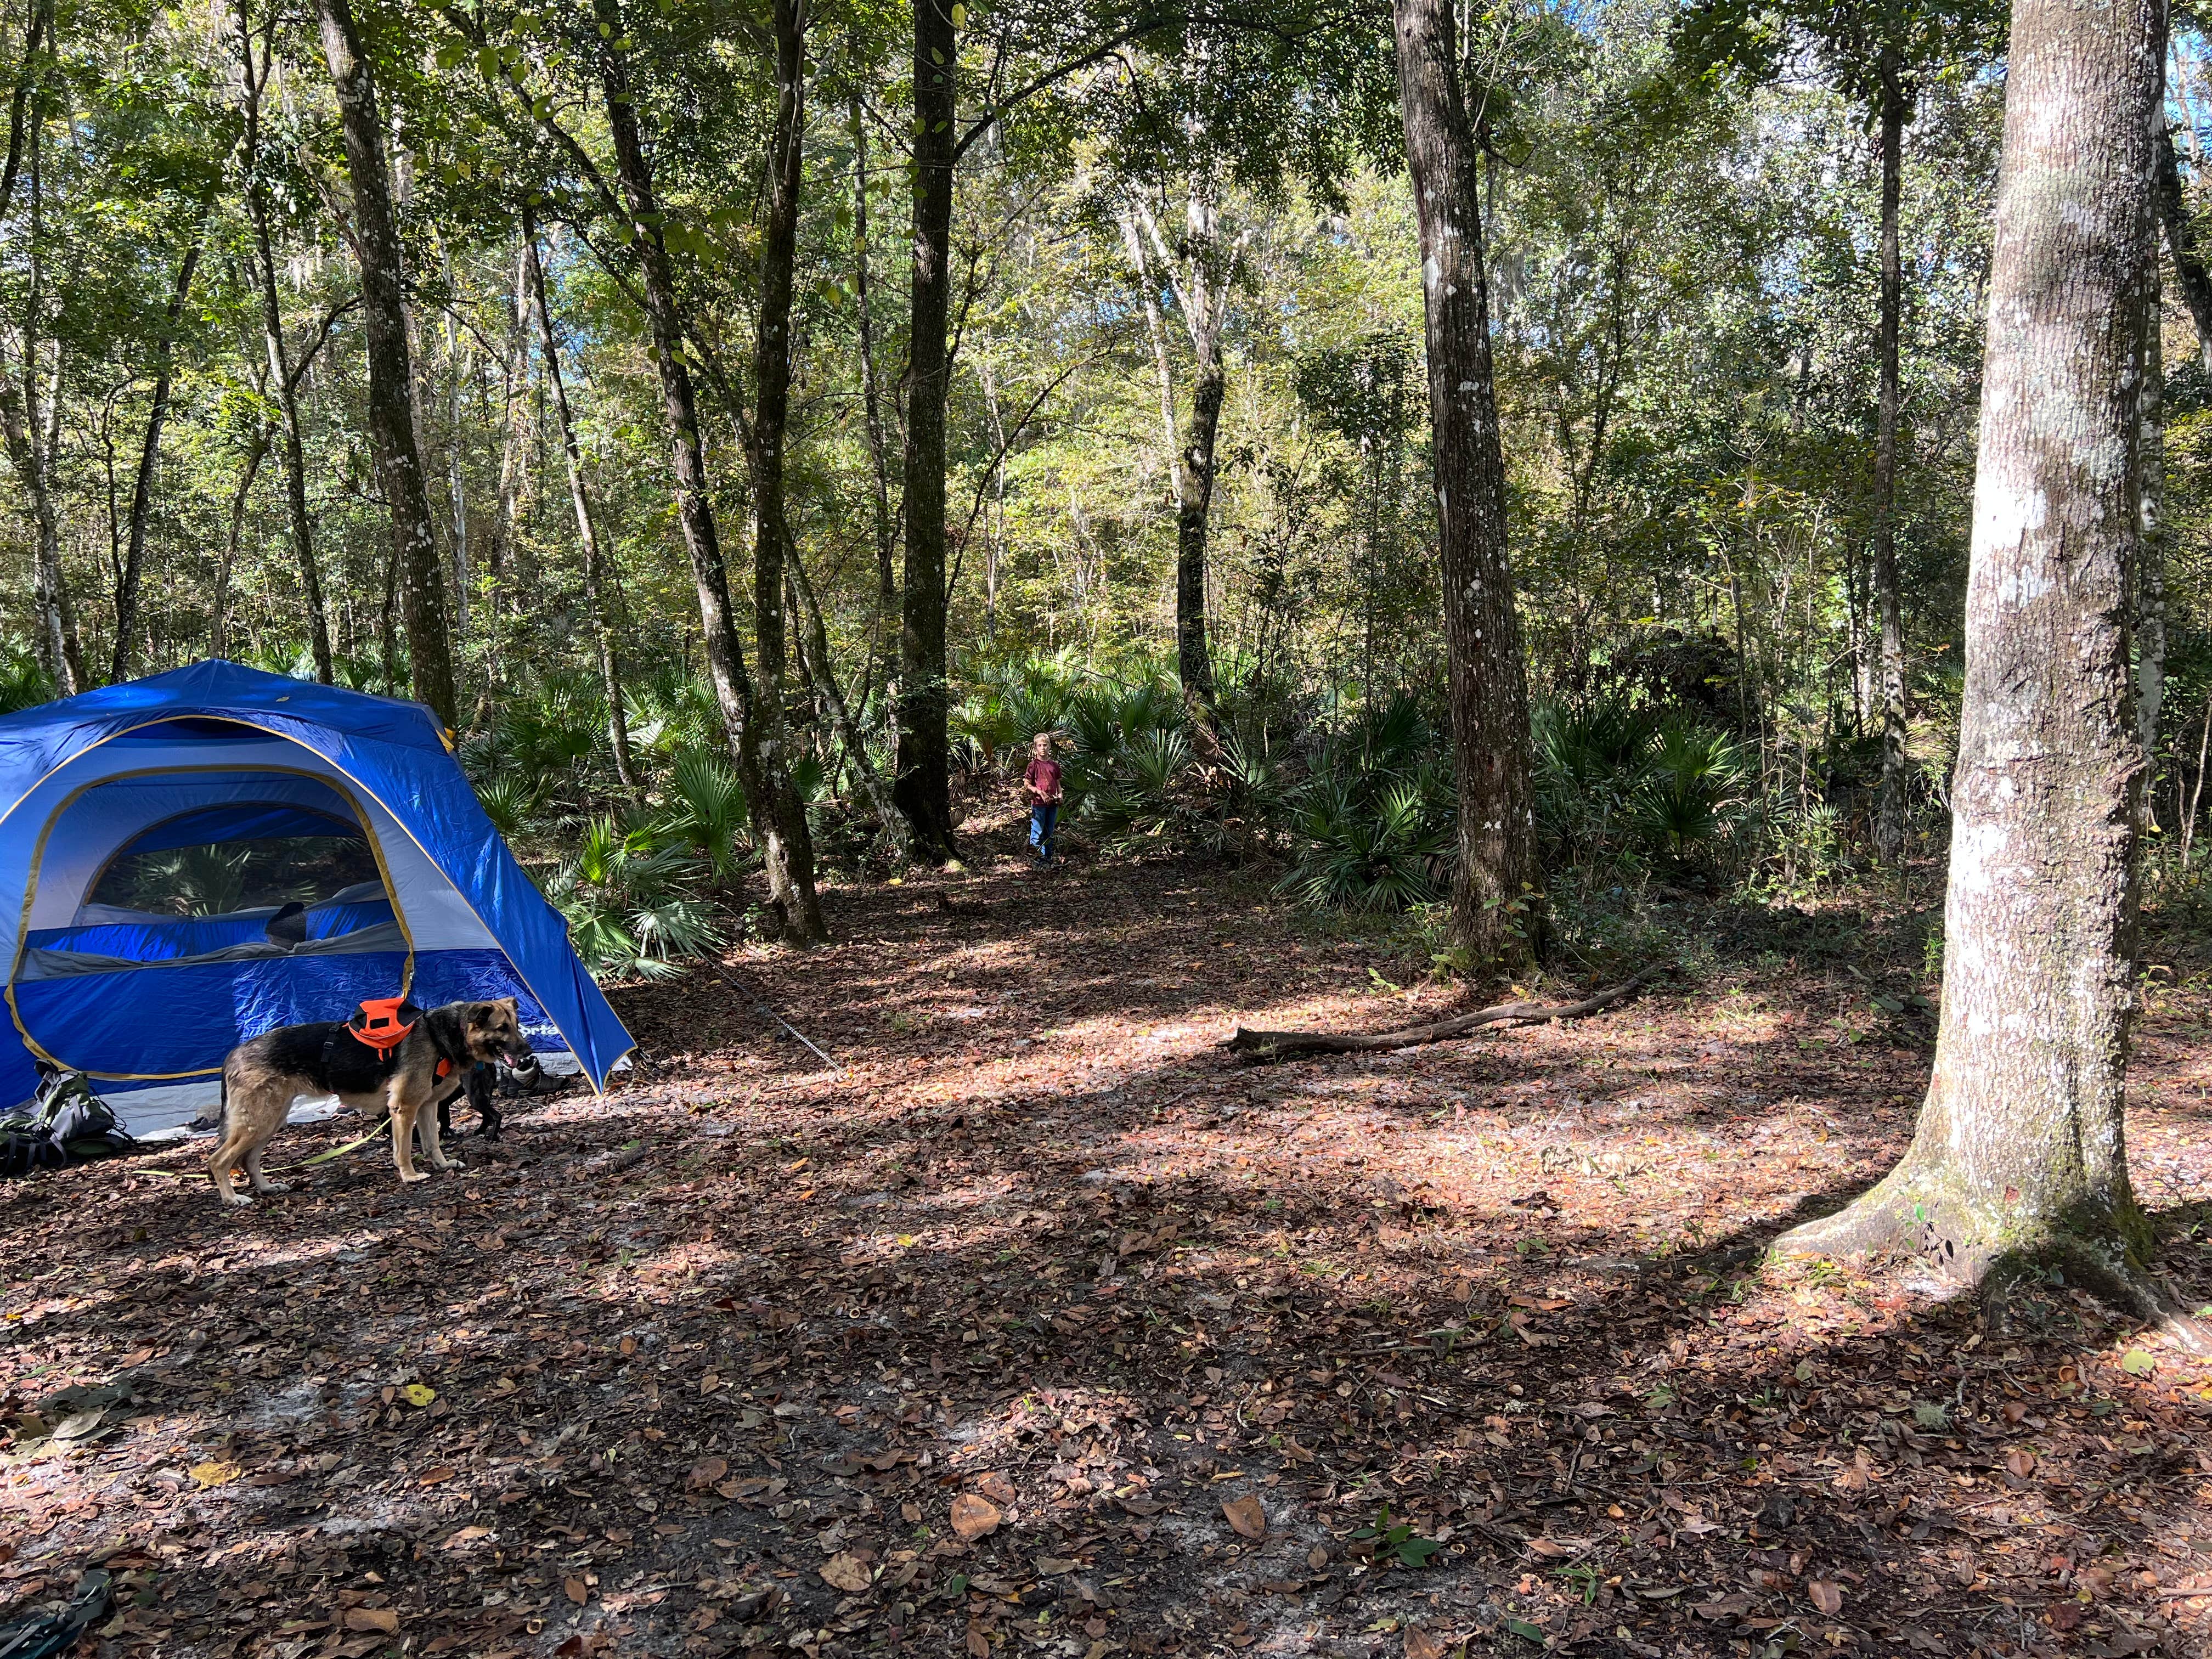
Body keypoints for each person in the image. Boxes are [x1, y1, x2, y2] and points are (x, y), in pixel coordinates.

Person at [1022, 732, 1063, 866]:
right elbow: (1027, 784)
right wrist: (1040, 792)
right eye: (1040, 745)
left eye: (1045, 745)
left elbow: (1058, 783)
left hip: (1052, 803)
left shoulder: (1054, 765)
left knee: (1049, 831)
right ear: (1036, 748)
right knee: (1037, 831)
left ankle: (1047, 858)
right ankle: (1035, 859)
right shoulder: (1033, 765)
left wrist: (1060, 795)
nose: (1043, 748)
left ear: (1050, 746)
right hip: (1039, 804)